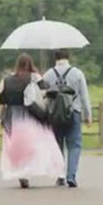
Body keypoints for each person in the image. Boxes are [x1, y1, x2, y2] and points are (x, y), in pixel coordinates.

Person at [0, 53, 65, 188]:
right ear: (30, 64)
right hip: (31, 116)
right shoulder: (35, 78)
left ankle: (22, 174)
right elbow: (44, 93)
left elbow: (2, 103)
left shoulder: (5, 80)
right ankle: (33, 170)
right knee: (36, 145)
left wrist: (1, 118)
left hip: (12, 117)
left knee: (17, 149)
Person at [43, 49, 91, 188]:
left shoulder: (48, 74)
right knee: (74, 145)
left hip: (54, 114)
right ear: (68, 58)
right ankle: (71, 176)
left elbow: (42, 94)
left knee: (57, 144)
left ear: (55, 59)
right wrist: (88, 115)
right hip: (73, 112)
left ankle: (60, 175)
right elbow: (84, 95)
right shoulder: (77, 73)